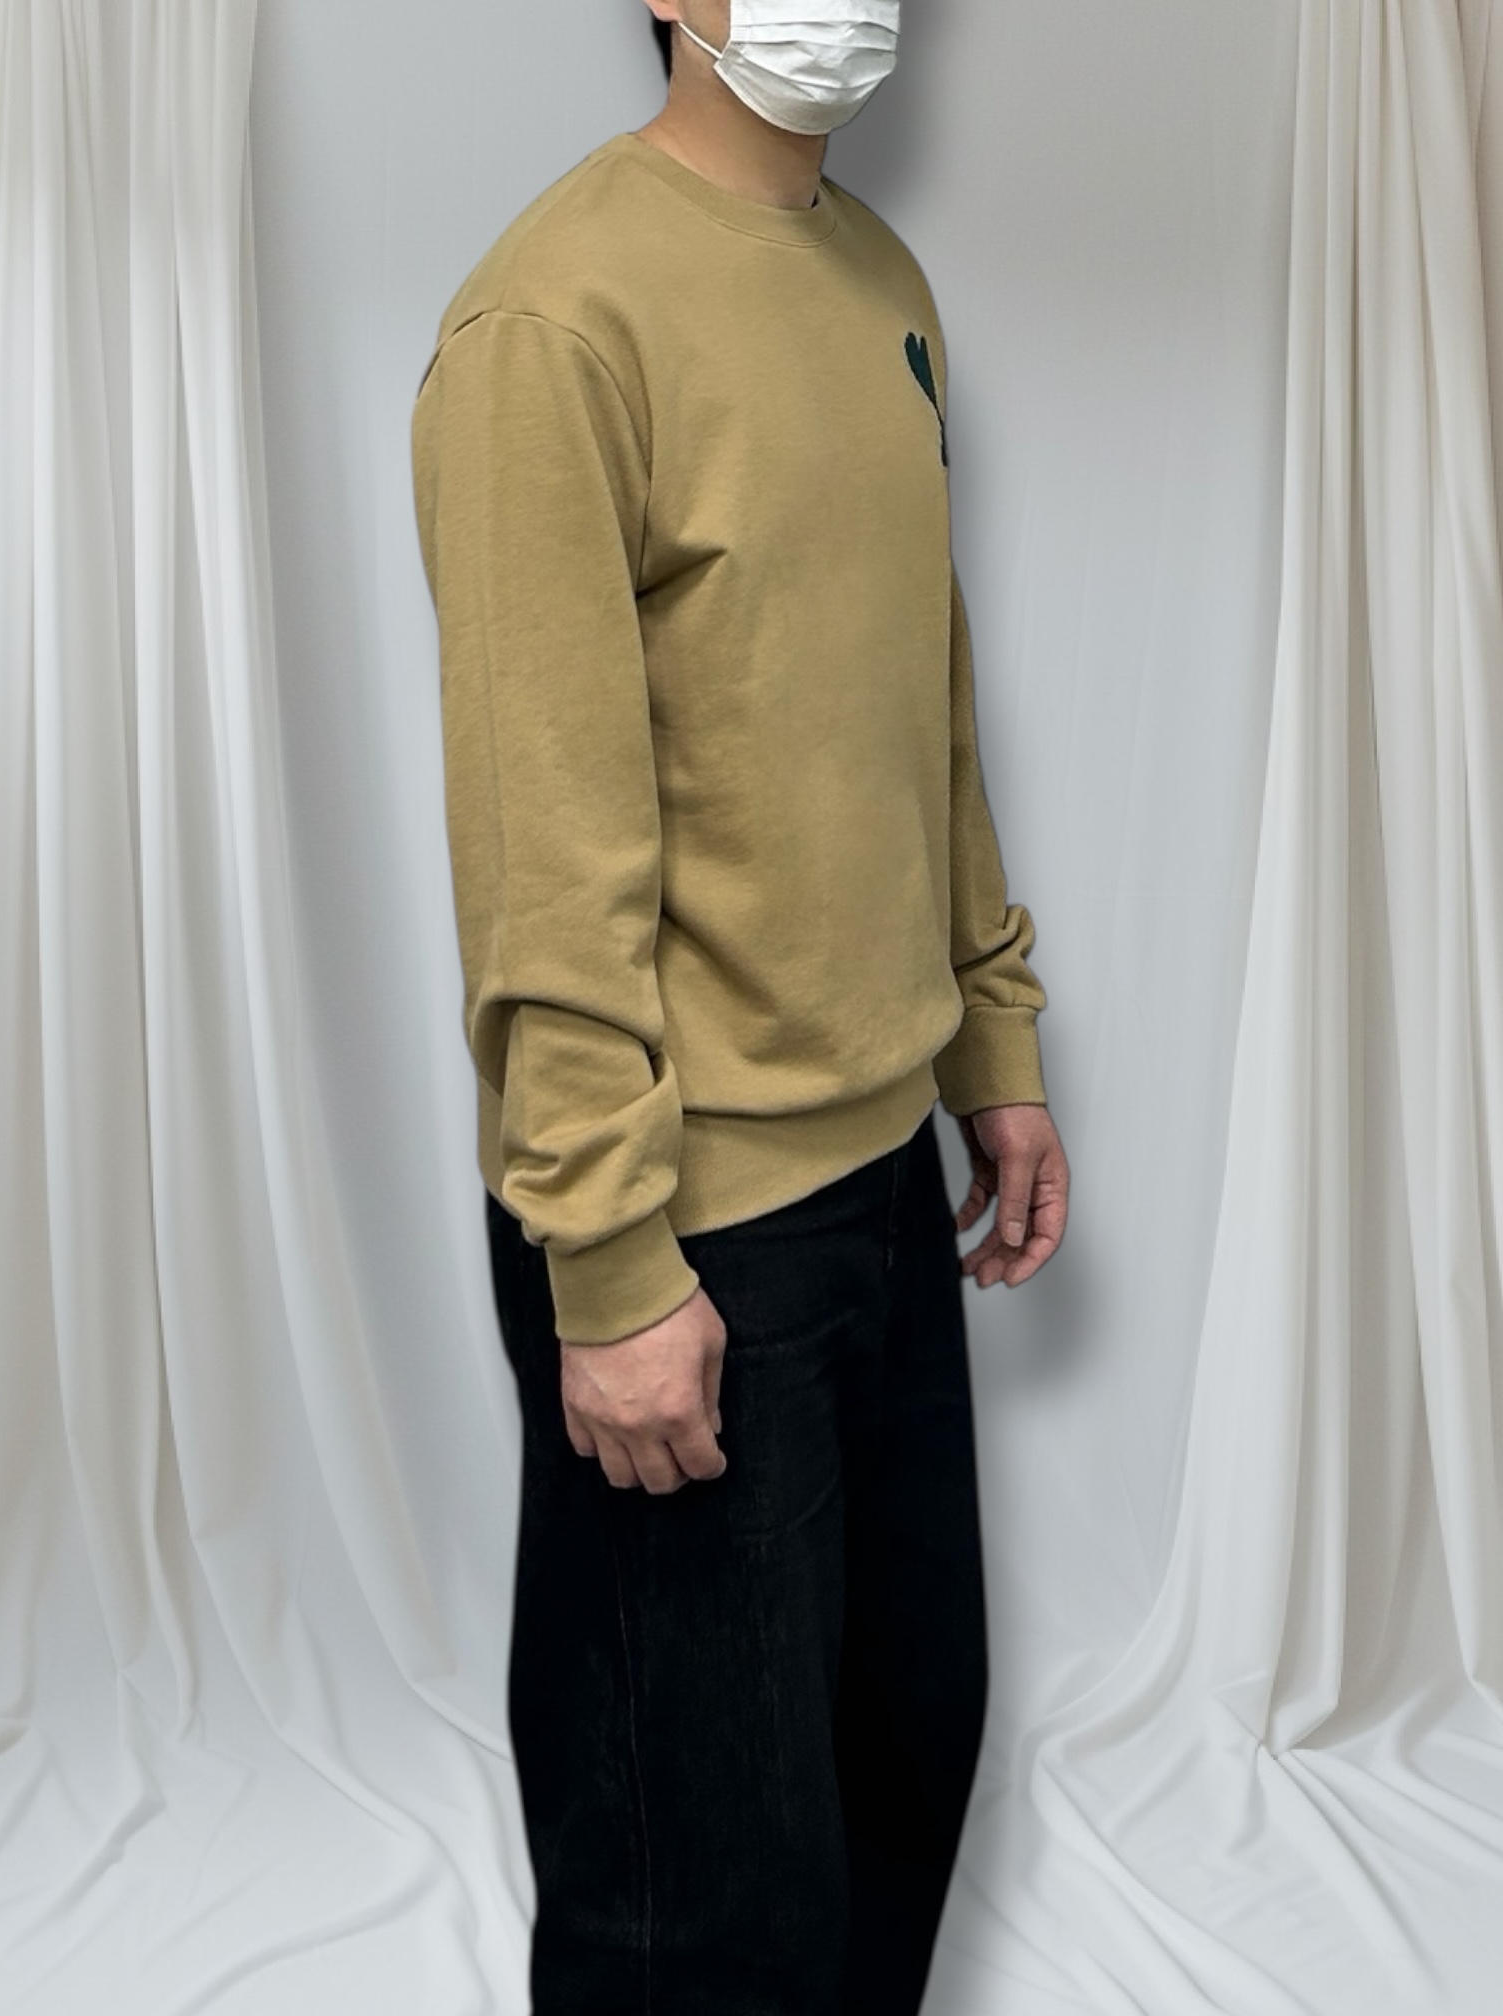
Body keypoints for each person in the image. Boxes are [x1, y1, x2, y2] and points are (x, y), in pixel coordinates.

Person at [411, 5, 1071, 2010]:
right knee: (694, 1883)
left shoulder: (882, 281)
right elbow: (543, 836)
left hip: (882, 1177)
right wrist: (610, 1266)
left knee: (897, 1763)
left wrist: (995, 1046)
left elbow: (923, 706)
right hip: (688, 1216)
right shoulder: (553, 323)